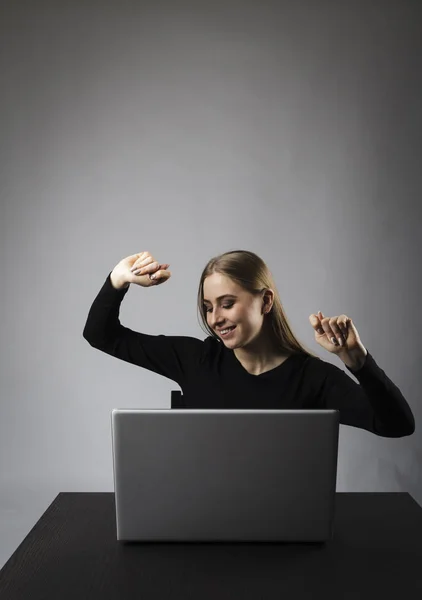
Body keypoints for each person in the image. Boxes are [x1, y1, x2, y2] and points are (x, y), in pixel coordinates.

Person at [83, 250, 415, 438]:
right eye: (208, 307)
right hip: (199, 519)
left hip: (284, 532)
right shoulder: (194, 359)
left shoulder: (313, 378)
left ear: (265, 301)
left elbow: (397, 425)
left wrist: (358, 360)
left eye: (227, 304)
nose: (215, 319)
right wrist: (118, 278)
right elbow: (101, 335)